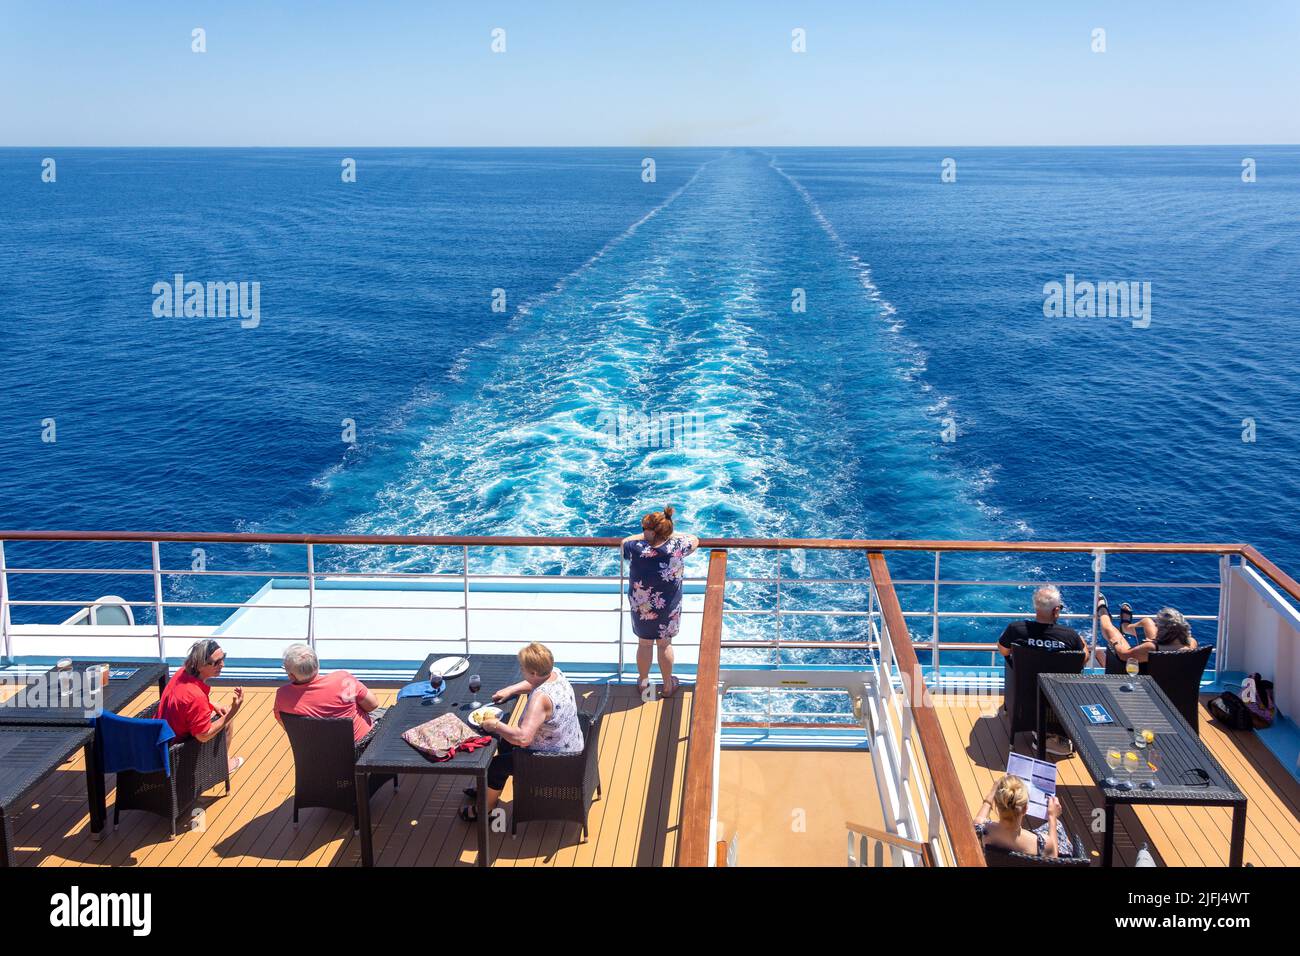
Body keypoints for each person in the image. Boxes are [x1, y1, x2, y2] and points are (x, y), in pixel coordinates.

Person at [460, 642, 584, 823]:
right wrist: (511, 690)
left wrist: (495, 725)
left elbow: (523, 738)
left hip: (553, 761)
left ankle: (484, 810)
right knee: (504, 743)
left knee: (496, 765)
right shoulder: (556, 673)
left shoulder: (540, 699)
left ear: (533, 672)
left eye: (523, 669)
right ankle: (486, 790)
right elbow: (534, 682)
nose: (521, 671)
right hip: (570, 745)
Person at [621, 505, 700, 699]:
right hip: (668, 606)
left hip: (642, 606)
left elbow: (624, 541)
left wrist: (644, 535)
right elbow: (695, 539)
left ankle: (643, 683)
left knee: (644, 644)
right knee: (664, 644)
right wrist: (669, 533)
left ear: (649, 532)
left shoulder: (635, 548)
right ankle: (667, 686)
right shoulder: (677, 547)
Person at [998, 585, 1087, 755]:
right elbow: (1082, 658)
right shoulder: (1070, 636)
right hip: (1058, 699)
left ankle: (1037, 730)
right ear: (1056, 611)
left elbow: (1003, 651)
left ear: (1036, 607)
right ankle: (1054, 734)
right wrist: (1082, 643)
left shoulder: (1016, 629)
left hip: (1026, 697)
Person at [158, 639, 245, 774]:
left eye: (223, 658)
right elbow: (203, 735)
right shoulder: (195, 695)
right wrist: (232, 712)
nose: (222, 664)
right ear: (200, 666)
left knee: (222, 712)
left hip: (163, 735)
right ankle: (221, 766)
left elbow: (186, 705)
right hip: (177, 750)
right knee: (227, 716)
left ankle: (220, 760)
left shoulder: (182, 673)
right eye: (216, 662)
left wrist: (211, 704)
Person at [273, 643, 385, 744]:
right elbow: (372, 705)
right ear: (317, 665)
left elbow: (288, 727)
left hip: (318, 755)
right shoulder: (343, 680)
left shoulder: (282, 696)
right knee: (388, 713)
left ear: (291, 676)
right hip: (360, 749)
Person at [973, 773, 1074, 859]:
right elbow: (1054, 858)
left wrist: (991, 795)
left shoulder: (980, 831)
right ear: (1025, 809)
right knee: (1057, 826)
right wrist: (1052, 817)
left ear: (997, 803)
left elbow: (979, 820)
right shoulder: (1042, 844)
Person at [1093, 595, 1197, 668]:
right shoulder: (1191, 643)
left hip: (1149, 680)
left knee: (1111, 632)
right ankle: (1125, 626)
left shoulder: (1151, 648)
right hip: (1173, 678)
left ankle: (1103, 612)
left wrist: (1115, 641)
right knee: (1147, 622)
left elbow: (1123, 655)